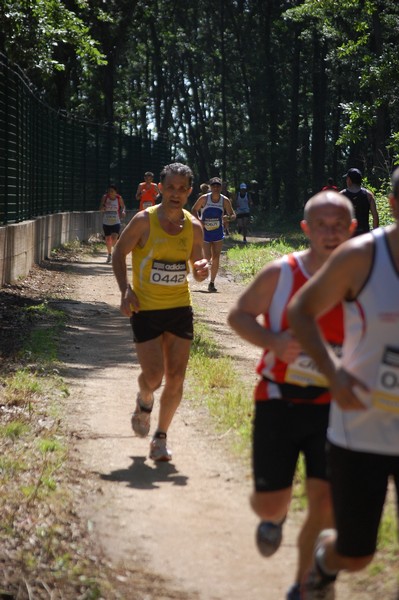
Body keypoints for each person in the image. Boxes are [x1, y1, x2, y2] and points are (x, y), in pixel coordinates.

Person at [228, 191, 357, 600]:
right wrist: (272, 340)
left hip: (335, 408)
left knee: (325, 504)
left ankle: (305, 585)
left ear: (352, 229)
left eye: (339, 225)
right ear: (306, 229)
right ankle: (277, 515)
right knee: (268, 506)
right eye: (322, 224)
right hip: (278, 400)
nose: (331, 232)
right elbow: (238, 315)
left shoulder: (364, 281)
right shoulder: (280, 274)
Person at [287, 169, 399, 599]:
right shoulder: (361, 256)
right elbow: (302, 311)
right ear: (393, 204)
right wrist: (333, 373)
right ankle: (325, 561)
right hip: (361, 429)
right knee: (356, 555)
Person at [112, 162, 209, 462]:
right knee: (153, 376)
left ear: (190, 192)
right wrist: (124, 290)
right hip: (146, 309)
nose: (176, 194)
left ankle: (161, 438)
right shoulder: (144, 221)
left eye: (182, 189)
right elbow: (118, 252)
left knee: (176, 378)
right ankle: (144, 402)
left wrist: (202, 269)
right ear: (161, 189)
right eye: (171, 187)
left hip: (180, 307)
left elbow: (197, 268)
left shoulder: (194, 226)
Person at [191, 176, 235, 292]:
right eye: (213, 186)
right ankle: (198, 272)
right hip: (205, 232)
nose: (216, 188)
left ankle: (212, 283)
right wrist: (199, 221)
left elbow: (233, 214)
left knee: (216, 257)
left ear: (221, 187)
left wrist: (228, 218)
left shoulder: (224, 200)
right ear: (210, 187)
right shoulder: (204, 198)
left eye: (218, 186)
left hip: (218, 232)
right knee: (207, 257)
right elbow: (194, 209)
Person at [341, 167, 379, 235]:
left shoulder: (341, 195)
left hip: (346, 236)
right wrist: (375, 236)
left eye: (347, 179)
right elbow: (375, 216)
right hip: (364, 235)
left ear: (349, 180)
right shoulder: (368, 195)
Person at [99, 185, 126, 263]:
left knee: (114, 238)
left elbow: (123, 206)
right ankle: (109, 254)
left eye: (112, 191)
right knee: (108, 239)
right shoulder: (105, 197)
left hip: (116, 221)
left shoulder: (118, 198)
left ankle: (115, 254)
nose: (110, 193)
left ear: (115, 192)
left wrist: (123, 211)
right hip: (106, 221)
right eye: (109, 191)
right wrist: (102, 208)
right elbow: (100, 207)